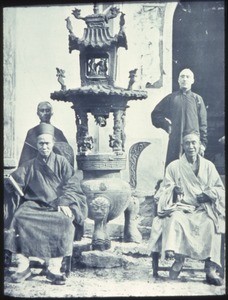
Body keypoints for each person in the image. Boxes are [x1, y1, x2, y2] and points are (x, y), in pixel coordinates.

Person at [4, 123, 87, 285]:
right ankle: (23, 267)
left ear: (53, 144)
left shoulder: (62, 162)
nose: (44, 147)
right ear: (36, 145)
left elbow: (72, 184)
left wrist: (64, 202)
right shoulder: (29, 165)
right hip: (34, 205)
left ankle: (54, 268)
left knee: (64, 221)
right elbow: (16, 180)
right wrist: (9, 184)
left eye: (47, 143)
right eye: (41, 143)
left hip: (57, 205)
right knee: (19, 217)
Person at [148, 131, 225, 286]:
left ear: (199, 145)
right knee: (175, 219)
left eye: (194, 143)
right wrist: (173, 191)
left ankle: (210, 268)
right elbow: (163, 190)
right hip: (181, 208)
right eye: (187, 143)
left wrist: (209, 195)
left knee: (212, 224)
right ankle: (178, 260)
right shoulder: (174, 167)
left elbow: (220, 189)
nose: (191, 146)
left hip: (203, 208)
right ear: (182, 146)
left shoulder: (209, 166)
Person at [151, 68, 207, 167]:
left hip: (192, 143)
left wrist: (202, 144)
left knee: (193, 172)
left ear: (192, 80)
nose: (184, 79)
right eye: (182, 76)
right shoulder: (171, 98)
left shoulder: (198, 99)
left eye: (187, 77)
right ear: (178, 80)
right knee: (173, 170)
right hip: (175, 141)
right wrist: (166, 125)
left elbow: (203, 124)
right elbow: (155, 114)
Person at [18, 101, 73, 166]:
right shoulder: (32, 132)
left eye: (47, 110)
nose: (45, 113)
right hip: (36, 169)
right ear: (37, 113)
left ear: (52, 113)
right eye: (42, 110)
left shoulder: (58, 132)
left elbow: (66, 155)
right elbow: (25, 158)